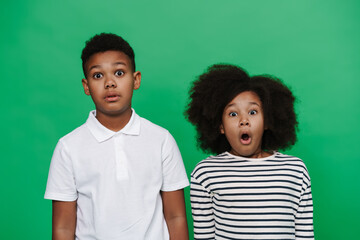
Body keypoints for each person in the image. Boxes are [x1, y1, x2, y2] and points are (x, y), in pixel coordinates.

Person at [44, 33, 189, 240]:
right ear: (86, 86)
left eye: (119, 73)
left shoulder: (161, 140)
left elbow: (175, 217)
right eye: (98, 76)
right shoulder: (68, 147)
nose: (110, 83)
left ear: (135, 79)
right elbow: (63, 228)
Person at [185, 64, 314, 239]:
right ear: (220, 126)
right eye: (233, 114)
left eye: (253, 112)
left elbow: (305, 235)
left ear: (267, 121)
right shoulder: (205, 173)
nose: (244, 120)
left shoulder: (296, 170)